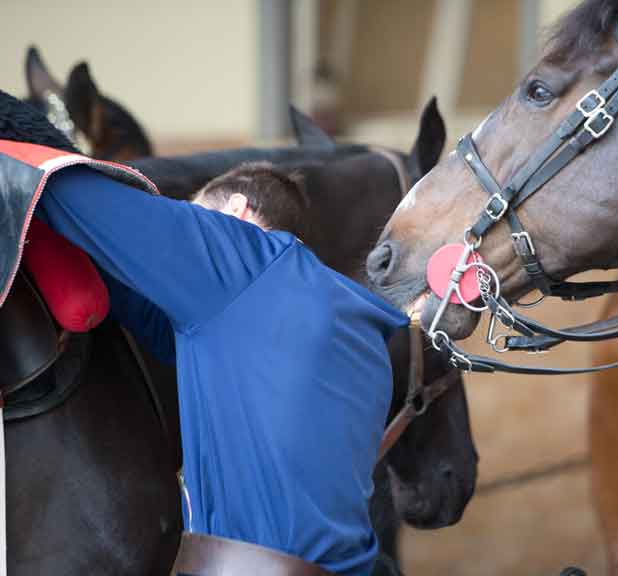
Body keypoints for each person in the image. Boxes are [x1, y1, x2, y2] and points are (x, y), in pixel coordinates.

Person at [29, 147, 408, 574]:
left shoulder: (237, 263)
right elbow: (172, 331)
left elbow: (61, 189)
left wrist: (18, 134)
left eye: (197, 217)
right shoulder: (357, 335)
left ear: (236, 210)